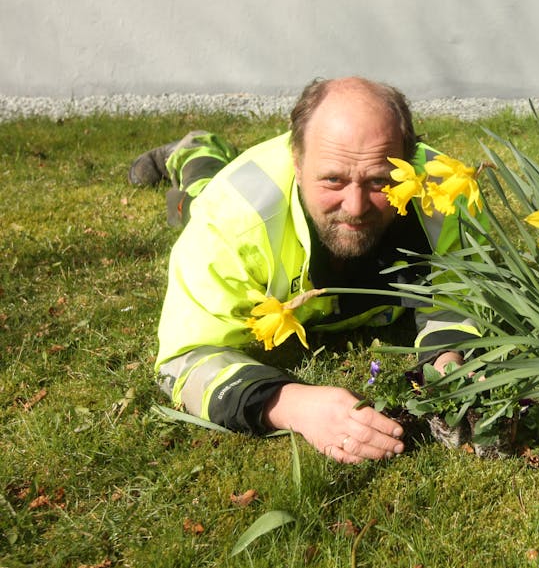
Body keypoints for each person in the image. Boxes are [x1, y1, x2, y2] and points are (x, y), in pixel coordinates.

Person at [143, 77, 477, 463]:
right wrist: (293, 404)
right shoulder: (230, 218)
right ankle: (196, 150)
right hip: (220, 202)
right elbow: (183, 359)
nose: (355, 207)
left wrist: (448, 366)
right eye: (333, 179)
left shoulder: (445, 197)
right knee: (196, 198)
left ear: (410, 162)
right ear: (298, 166)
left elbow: (455, 302)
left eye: (378, 181)